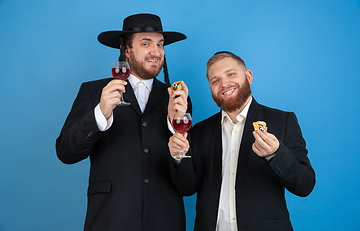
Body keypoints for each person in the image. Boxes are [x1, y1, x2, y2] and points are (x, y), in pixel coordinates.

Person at [56, 13, 191, 231]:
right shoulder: (93, 92)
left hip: (165, 221)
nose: (156, 52)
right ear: (127, 49)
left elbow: (187, 181)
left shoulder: (177, 99)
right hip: (110, 220)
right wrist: (100, 114)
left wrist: (173, 124)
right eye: (145, 43)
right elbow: (65, 153)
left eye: (160, 44)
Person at [168, 51, 316, 231]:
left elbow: (305, 185)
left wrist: (275, 154)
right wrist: (177, 156)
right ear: (211, 89)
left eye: (231, 74)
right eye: (215, 81)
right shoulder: (200, 131)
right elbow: (187, 188)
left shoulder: (282, 121)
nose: (224, 84)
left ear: (248, 76)